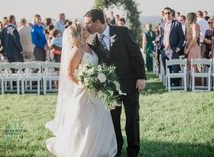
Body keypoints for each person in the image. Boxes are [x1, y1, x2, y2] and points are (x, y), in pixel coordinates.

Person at [45, 22, 117, 157]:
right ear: (78, 33)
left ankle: (101, 148)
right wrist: (82, 84)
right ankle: (81, 148)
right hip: (83, 90)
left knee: (100, 120)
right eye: (83, 29)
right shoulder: (77, 50)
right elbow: (69, 72)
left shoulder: (90, 47)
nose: (87, 29)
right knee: (84, 122)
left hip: (96, 90)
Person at [84, 9, 146, 157]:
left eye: (88, 23)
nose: (86, 26)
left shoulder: (123, 32)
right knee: (113, 120)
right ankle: (116, 147)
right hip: (110, 87)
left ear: (97, 22)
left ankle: (133, 150)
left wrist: (141, 77)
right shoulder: (92, 41)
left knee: (132, 118)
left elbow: (136, 54)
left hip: (130, 82)